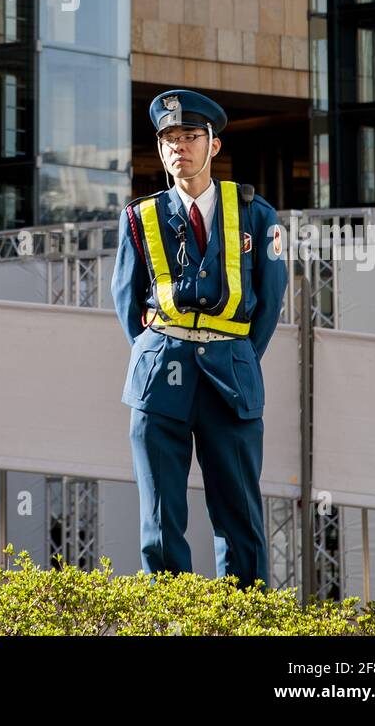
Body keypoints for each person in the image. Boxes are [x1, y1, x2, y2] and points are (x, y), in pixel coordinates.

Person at [111, 89, 287, 589]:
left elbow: (269, 303)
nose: (178, 147)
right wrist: (159, 349)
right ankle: (174, 621)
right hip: (159, 376)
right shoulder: (138, 217)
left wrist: (234, 354)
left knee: (239, 517)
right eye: (169, 138)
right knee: (160, 520)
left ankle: (243, 619)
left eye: (190, 136)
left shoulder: (256, 213)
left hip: (229, 377)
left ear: (213, 144)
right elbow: (127, 301)